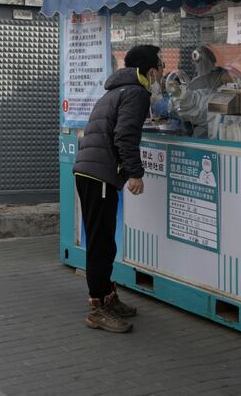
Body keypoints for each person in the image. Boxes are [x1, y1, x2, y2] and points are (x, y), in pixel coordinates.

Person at [73, 44, 164, 334]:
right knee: (101, 243)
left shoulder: (116, 90)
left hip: (91, 172)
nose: (162, 73)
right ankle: (97, 307)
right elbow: (124, 136)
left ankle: (108, 296)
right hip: (99, 175)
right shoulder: (136, 93)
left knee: (104, 241)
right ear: (150, 71)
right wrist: (135, 174)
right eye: (160, 68)